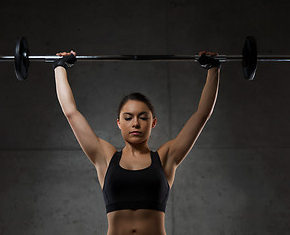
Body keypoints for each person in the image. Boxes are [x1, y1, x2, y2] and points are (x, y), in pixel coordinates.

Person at [53, 50, 220, 235]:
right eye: (128, 117)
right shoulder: (105, 157)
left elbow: (202, 115)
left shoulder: (165, 158)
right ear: (119, 122)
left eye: (143, 117)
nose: (135, 123)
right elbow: (71, 113)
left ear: (153, 123)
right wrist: (60, 67)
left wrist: (213, 68)